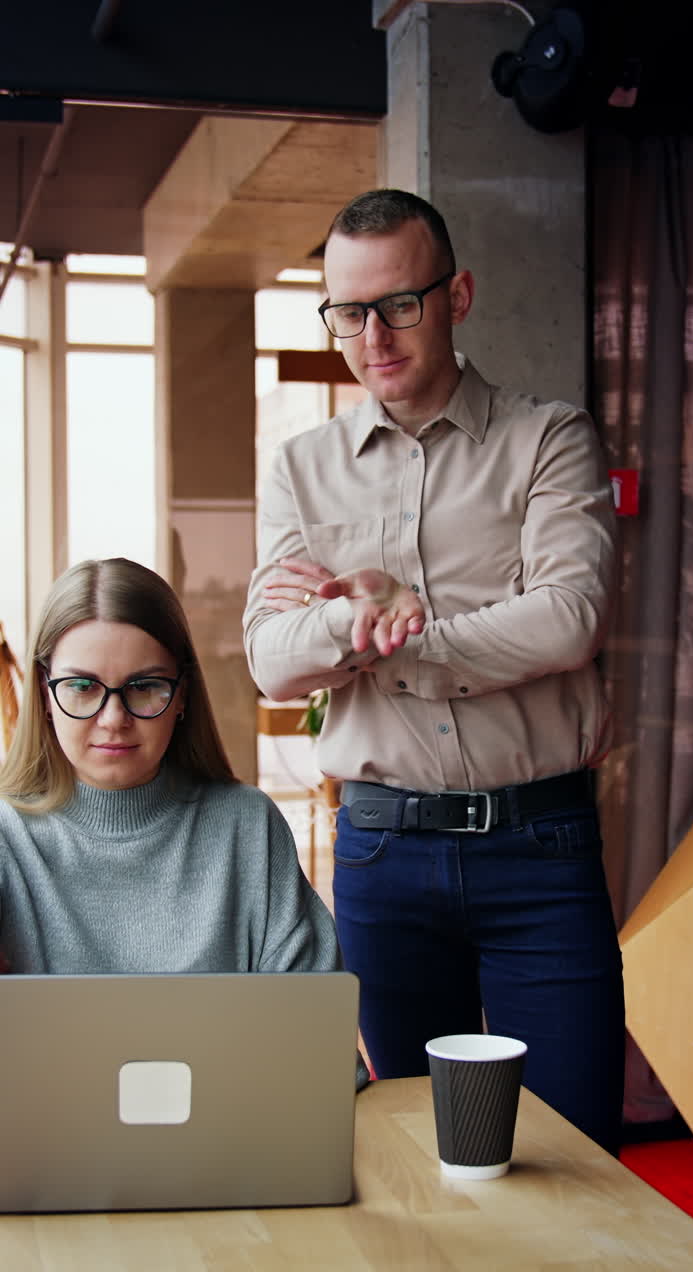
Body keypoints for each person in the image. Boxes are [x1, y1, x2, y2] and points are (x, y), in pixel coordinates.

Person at [243, 188, 625, 1154]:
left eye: (399, 305)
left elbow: (569, 620)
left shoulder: (552, 438)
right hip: (382, 854)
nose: (372, 336)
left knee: (576, 1152)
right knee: (411, 1156)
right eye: (347, 312)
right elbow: (270, 658)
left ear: (456, 294)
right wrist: (349, 617)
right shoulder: (302, 468)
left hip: (541, 846)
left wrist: (397, 642)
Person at [0, 558, 366, 1059]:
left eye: (144, 686)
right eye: (82, 687)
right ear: (44, 694)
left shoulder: (247, 827)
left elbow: (320, 1049)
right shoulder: (6, 836)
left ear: (182, 696)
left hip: (233, 1135)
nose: (113, 719)